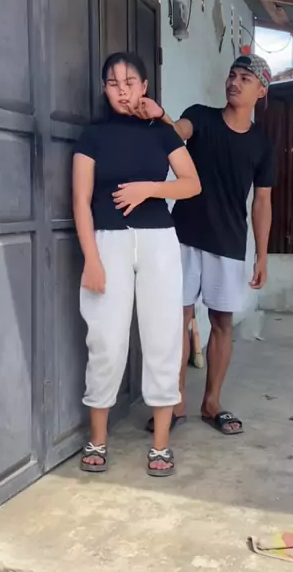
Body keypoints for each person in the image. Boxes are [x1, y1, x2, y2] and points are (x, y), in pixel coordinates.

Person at [72, 51, 201, 477]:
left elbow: (191, 184)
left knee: (163, 336)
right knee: (105, 340)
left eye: (130, 82)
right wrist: (91, 259)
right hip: (107, 242)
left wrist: (148, 189)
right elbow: (80, 201)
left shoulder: (162, 134)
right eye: (113, 83)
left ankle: (161, 444)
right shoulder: (92, 136)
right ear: (104, 89)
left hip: (158, 242)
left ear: (144, 86)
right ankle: (97, 438)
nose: (122, 91)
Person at [139, 53, 275, 436]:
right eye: (232, 75)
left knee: (221, 323)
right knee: (178, 320)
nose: (234, 82)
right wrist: (160, 114)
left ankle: (212, 403)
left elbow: (262, 202)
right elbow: (176, 130)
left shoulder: (262, 145)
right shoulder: (199, 116)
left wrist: (261, 255)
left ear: (261, 91)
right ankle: (176, 403)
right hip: (183, 235)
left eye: (245, 78)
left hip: (228, 242)